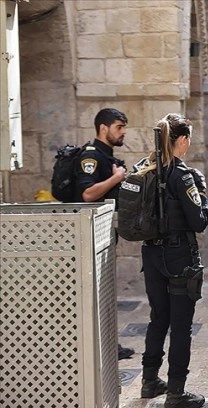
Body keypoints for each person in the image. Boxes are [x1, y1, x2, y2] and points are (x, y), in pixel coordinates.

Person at [138, 113, 208, 408]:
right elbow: (200, 221)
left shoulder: (144, 170)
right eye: (188, 138)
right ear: (181, 140)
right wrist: (201, 197)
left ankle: (149, 380)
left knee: (158, 318)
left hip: (151, 254)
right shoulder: (183, 176)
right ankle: (176, 391)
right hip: (179, 256)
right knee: (181, 325)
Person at [73, 108, 135, 361]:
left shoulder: (106, 155)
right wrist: (117, 178)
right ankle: (98, 347)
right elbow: (87, 194)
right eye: (119, 127)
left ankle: (109, 345)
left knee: (106, 291)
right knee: (95, 293)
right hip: (88, 236)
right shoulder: (91, 157)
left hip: (103, 234)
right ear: (103, 128)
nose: (123, 132)